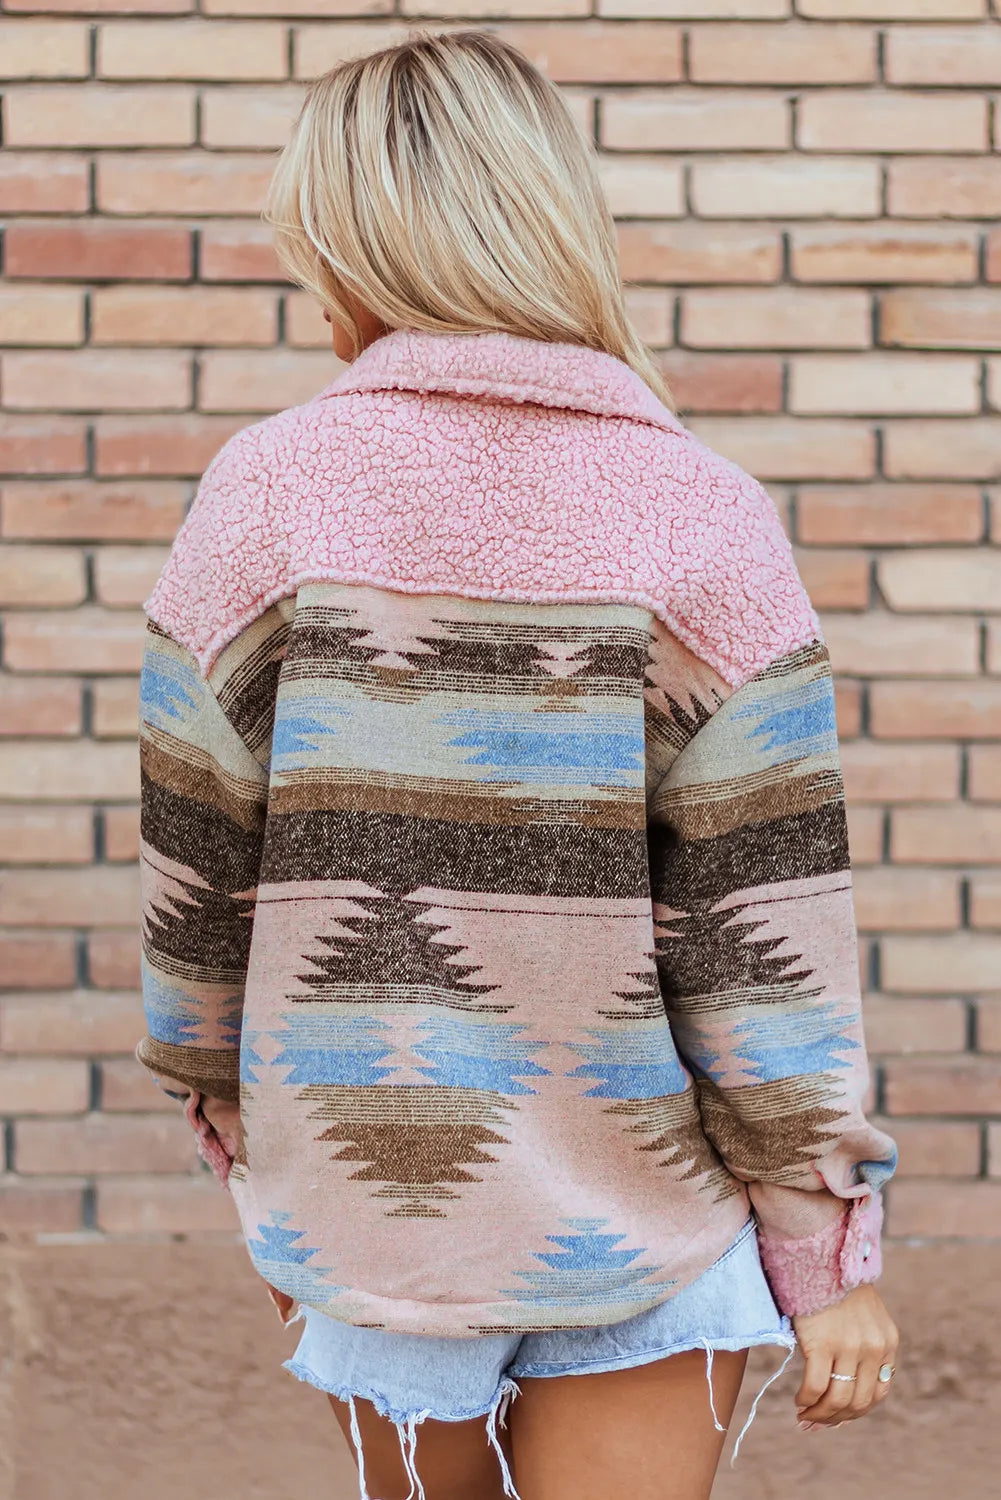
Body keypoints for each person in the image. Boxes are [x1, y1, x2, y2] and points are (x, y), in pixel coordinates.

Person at [136, 29, 899, 1500]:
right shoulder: (698, 510)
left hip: (371, 1200)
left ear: (354, 242)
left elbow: (196, 887)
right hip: (649, 1204)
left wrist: (250, 1144)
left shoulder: (264, 496)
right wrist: (821, 1248)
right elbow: (763, 931)